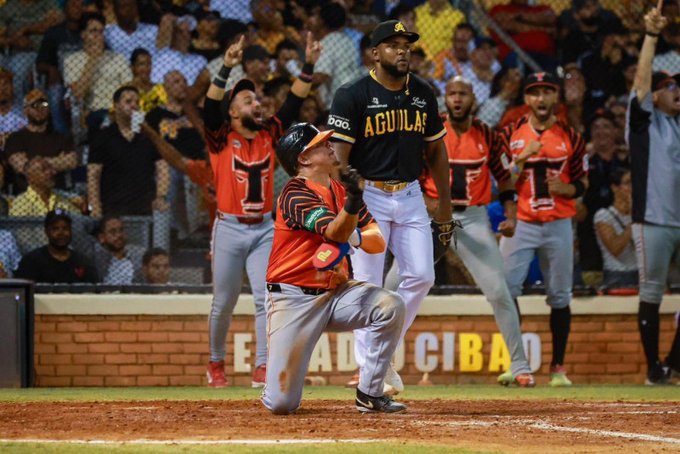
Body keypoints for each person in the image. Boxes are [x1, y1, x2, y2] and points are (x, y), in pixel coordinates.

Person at [327, 20, 454, 394]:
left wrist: (445, 206)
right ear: (374, 53)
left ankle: (383, 353)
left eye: (406, 45)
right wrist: (348, 200)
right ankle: (373, 373)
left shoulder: (423, 94)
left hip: (411, 194)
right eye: (393, 44)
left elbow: (436, 150)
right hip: (369, 196)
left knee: (422, 276)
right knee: (369, 286)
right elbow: (338, 156)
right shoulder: (353, 94)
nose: (402, 51)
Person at [262, 122, 406, 415]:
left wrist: (355, 233)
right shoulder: (293, 192)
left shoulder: (341, 190)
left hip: (336, 293)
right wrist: (352, 206)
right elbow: (333, 232)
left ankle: (370, 393)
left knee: (390, 305)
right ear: (303, 158)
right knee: (281, 404)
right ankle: (272, 386)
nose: (329, 145)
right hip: (293, 298)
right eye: (320, 144)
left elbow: (377, 241)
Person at [202, 33, 320, 389]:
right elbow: (210, 105)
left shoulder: (269, 133)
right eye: (247, 99)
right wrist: (226, 66)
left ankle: (263, 366)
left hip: (264, 229)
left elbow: (293, 102)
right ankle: (215, 363)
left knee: (265, 299)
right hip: (229, 228)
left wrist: (309, 63)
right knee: (223, 302)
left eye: (256, 98)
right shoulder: (220, 137)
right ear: (232, 111)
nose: (256, 103)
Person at [421, 76, 535, 387]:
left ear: (474, 99)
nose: (457, 99)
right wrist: (431, 205)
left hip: (472, 217)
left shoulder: (488, 135)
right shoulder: (430, 130)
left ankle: (520, 366)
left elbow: (505, 178)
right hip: (430, 217)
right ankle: (375, 366)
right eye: (452, 94)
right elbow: (413, 178)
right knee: (396, 286)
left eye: (463, 94)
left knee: (499, 291)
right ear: (445, 99)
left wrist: (511, 216)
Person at [498, 71, 588, 387]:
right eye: (535, 92)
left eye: (547, 91)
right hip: (521, 221)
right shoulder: (509, 134)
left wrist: (567, 189)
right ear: (526, 98)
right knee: (505, 290)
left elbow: (583, 182)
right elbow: (501, 181)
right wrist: (522, 158)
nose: (541, 98)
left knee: (560, 295)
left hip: (558, 222)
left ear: (555, 97)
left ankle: (558, 367)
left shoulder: (571, 136)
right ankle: (517, 363)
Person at [626, 5, 680, 385]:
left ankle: (674, 364)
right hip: (653, 221)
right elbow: (641, 83)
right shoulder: (643, 123)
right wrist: (651, 36)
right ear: (656, 96)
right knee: (651, 294)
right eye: (670, 87)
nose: (677, 92)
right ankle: (652, 369)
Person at [87, 85, 170, 218]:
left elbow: (162, 166)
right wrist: (95, 207)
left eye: (137, 102)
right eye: (128, 101)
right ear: (116, 106)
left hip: (145, 207)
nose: (133, 105)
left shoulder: (148, 136)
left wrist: (160, 196)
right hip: (113, 209)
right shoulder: (103, 137)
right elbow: (93, 174)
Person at [63, 12, 132, 125]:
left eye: (101, 31)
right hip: (94, 112)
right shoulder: (72, 60)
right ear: (83, 34)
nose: (98, 35)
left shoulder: (117, 58)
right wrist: (93, 59)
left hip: (120, 109)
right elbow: (78, 93)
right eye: (93, 31)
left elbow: (129, 87)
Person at [5, 89, 77, 195]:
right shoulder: (15, 138)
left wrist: (35, 164)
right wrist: (57, 161)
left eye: (43, 104)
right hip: (27, 194)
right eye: (34, 105)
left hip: (58, 193)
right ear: (25, 110)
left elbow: (71, 161)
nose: (40, 109)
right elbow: (21, 167)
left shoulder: (61, 137)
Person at [15, 210, 98, 284]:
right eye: (55, 229)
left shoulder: (82, 262)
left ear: (71, 231)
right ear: (46, 232)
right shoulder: (31, 261)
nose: (61, 233)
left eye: (65, 228)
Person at [593, 168, 637, 289]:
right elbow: (615, 248)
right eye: (628, 183)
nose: (633, 187)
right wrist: (634, 219)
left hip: (640, 272)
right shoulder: (603, 215)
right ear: (615, 187)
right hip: (617, 275)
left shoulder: (642, 214)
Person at [9, 156, 80, 216]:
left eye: (51, 168)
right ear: (30, 177)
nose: (52, 172)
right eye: (44, 170)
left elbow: (79, 220)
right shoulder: (21, 204)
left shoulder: (62, 200)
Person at [93, 216, 145, 284]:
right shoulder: (95, 261)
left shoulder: (140, 255)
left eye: (121, 230)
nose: (119, 235)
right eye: (113, 232)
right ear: (101, 237)